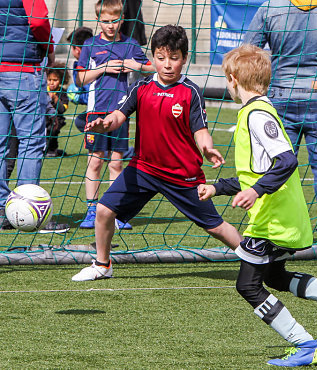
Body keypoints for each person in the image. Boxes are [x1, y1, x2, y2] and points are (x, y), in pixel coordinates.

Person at [198, 45, 317, 367]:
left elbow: (287, 161)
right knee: (276, 279)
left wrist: (255, 193)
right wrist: (218, 187)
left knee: (248, 286)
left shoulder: (257, 115)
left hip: (272, 219)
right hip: (281, 215)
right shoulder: (257, 111)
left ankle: (305, 345)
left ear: (233, 79)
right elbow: (256, 171)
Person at [71, 25, 243, 282]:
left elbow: (200, 130)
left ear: (184, 58)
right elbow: (119, 115)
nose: (167, 64)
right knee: (105, 210)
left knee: (216, 227)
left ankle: (257, 259)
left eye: (174, 58)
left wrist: (207, 148)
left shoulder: (191, 92)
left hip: (181, 175)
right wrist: (105, 123)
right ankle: (102, 264)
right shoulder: (141, 88)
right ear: (152, 58)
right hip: (143, 169)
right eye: (161, 58)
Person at [244, 0, 317, 243]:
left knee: (278, 167)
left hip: (281, 95)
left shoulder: (270, 7)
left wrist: (270, 81)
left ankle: (274, 230)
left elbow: (248, 52)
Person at [76, 0, 155, 230]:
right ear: (98, 20)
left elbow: (153, 66)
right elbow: (80, 79)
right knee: (95, 162)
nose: (110, 26)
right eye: (105, 21)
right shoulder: (90, 45)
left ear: (122, 19)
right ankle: (92, 209)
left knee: (116, 164)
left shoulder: (130, 45)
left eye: (115, 21)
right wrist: (104, 67)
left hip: (121, 113)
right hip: (95, 113)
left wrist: (136, 65)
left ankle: (114, 210)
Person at [0, 0, 67, 233]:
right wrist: (49, 47)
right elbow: (38, 21)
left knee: (1, 145)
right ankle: (28, 211)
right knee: (32, 142)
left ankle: (2, 209)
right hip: (22, 72)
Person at [66, 26, 94, 133]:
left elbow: (93, 95)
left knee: (81, 121)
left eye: (71, 48)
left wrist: (78, 97)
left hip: (99, 110)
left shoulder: (84, 68)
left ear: (77, 50)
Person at [45, 62, 70, 157]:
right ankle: (43, 149)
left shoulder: (62, 92)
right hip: (43, 118)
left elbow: (62, 109)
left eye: (55, 80)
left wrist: (55, 99)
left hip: (57, 119)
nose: (51, 83)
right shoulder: (43, 89)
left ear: (61, 80)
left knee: (52, 131)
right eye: (49, 80)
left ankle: (52, 150)